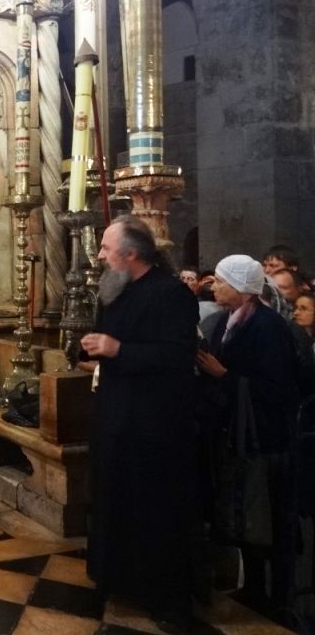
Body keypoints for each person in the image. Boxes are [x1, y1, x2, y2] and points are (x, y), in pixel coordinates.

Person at [80, 215, 200, 632]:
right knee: (114, 500)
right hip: (115, 419)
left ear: (131, 253)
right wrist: (92, 348)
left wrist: (117, 350)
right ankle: (119, 579)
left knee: (154, 509)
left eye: (106, 248)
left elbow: (177, 355)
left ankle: (165, 597)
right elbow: (108, 343)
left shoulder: (170, 293)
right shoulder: (116, 290)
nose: (99, 255)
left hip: (154, 426)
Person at [196, 255, 301, 618]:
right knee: (247, 519)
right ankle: (255, 588)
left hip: (266, 441)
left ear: (242, 287)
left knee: (271, 519)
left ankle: (280, 598)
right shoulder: (226, 320)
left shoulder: (268, 327)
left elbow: (279, 389)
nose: (214, 287)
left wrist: (225, 376)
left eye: (221, 281)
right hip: (237, 436)